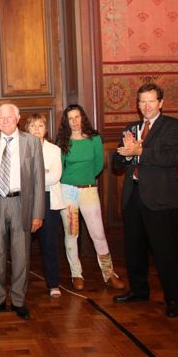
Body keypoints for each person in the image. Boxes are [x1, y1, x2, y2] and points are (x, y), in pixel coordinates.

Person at [113, 83, 178, 318]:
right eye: (142, 101)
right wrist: (122, 154)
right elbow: (116, 162)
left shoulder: (172, 126)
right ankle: (139, 290)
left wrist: (139, 151)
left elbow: (171, 157)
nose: (146, 106)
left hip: (160, 199)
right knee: (134, 249)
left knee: (165, 253)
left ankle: (173, 299)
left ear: (161, 103)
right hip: (133, 196)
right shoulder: (131, 127)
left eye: (151, 101)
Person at [0, 103, 45, 320]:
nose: (5, 121)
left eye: (9, 117)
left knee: (21, 255)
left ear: (18, 119)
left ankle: (18, 301)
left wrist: (37, 213)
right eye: (1, 118)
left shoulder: (32, 143)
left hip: (21, 204)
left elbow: (38, 181)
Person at [56, 105, 125, 291]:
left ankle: (109, 273)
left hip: (88, 190)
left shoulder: (94, 139)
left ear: (83, 118)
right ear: (66, 122)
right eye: (70, 118)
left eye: (77, 117)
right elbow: (60, 169)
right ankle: (76, 274)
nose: (74, 121)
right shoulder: (63, 141)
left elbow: (98, 166)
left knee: (98, 234)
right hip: (67, 190)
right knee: (71, 234)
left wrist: (86, 181)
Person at [24, 114, 65, 298]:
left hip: (49, 200)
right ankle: (20, 285)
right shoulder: (20, 149)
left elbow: (55, 176)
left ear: (46, 129)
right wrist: (43, 171)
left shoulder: (54, 149)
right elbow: (19, 177)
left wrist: (34, 173)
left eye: (41, 125)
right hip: (26, 199)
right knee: (21, 245)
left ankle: (53, 283)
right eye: (33, 126)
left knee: (49, 244)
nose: (37, 129)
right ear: (27, 130)